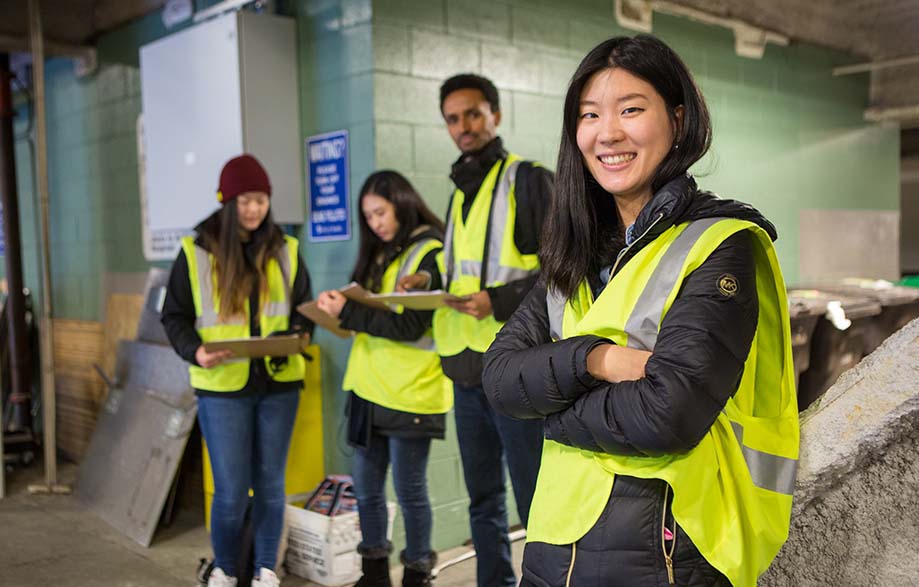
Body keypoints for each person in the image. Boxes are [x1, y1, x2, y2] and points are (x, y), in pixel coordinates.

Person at [482, 35, 799, 587]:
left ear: (677, 119)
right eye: (589, 115)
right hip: (555, 541)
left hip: (665, 548)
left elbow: (666, 414)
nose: (608, 132)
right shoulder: (574, 257)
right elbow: (500, 379)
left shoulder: (721, 243)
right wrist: (594, 361)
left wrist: (549, 412)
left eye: (631, 109)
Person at [398, 74, 553, 587]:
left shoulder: (527, 180)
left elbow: (565, 271)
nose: (462, 126)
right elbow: (469, 268)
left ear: (496, 116)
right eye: (452, 118)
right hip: (467, 370)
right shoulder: (460, 192)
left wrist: (498, 300)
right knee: (482, 499)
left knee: (535, 497)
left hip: (515, 371)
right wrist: (430, 277)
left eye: (472, 114)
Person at [162, 154, 314, 587]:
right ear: (228, 203)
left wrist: (301, 335)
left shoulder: (287, 249)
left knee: (270, 485)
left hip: (279, 385)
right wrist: (197, 351)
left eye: (262, 200)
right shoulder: (196, 252)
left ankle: (267, 569)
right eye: (245, 200)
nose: (254, 209)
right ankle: (225, 570)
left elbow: (302, 310)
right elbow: (174, 317)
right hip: (222, 385)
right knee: (230, 490)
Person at [315, 171, 451, 587]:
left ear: (402, 203)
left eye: (380, 212)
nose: (374, 222)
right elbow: (377, 317)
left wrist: (350, 313)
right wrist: (341, 311)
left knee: (410, 493)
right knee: (368, 490)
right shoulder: (381, 253)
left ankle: (416, 574)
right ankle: (373, 574)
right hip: (367, 390)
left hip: (411, 393)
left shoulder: (431, 252)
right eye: (367, 216)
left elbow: (410, 326)